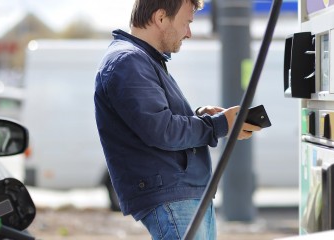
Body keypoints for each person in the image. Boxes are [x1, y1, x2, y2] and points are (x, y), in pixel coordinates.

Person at [94, 0, 262, 239]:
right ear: (161, 18)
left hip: (181, 194)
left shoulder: (141, 60)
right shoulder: (128, 62)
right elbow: (161, 130)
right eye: (187, 23)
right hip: (173, 197)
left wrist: (202, 117)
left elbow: (158, 123)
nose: (189, 33)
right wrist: (219, 124)